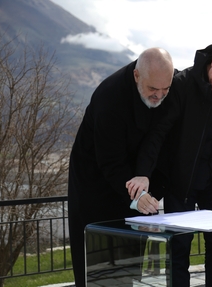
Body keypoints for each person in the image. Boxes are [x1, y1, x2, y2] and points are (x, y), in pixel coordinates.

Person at [126, 39, 212, 287]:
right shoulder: (182, 84)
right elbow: (158, 133)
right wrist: (143, 173)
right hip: (182, 181)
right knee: (179, 249)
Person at [67, 47, 174, 287]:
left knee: (128, 268)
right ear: (137, 76)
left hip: (136, 184)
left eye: (165, 89)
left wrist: (149, 189)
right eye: (153, 90)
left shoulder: (167, 88)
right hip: (96, 188)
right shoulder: (109, 97)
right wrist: (139, 196)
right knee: (97, 271)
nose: (159, 96)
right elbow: (110, 162)